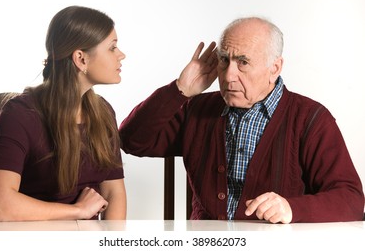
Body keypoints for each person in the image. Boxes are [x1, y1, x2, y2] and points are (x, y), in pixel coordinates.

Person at [119, 17, 364, 223]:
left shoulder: (310, 118)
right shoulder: (197, 109)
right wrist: (179, 89)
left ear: (275, 68)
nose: (228, 75)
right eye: (224, 60)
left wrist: (292, 208)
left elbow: (351, 200)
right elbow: (132, 141)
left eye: (243, 62)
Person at [0, 6, 127, 221]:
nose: (121, 55)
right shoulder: (20, 114)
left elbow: (113, 193)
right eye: (112, 48)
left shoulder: (103, 111)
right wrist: (78, 211)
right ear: (81, 59)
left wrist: (110, 242)